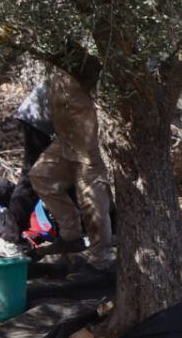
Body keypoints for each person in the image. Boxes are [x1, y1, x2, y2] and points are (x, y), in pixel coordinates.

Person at [23, 68, 114, 264]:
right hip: (68, 139)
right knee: (42, 176)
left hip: (90, 143)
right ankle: (70, 237)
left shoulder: (86, 61)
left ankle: (100, 258)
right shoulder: (56, 62)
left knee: (91, 199)